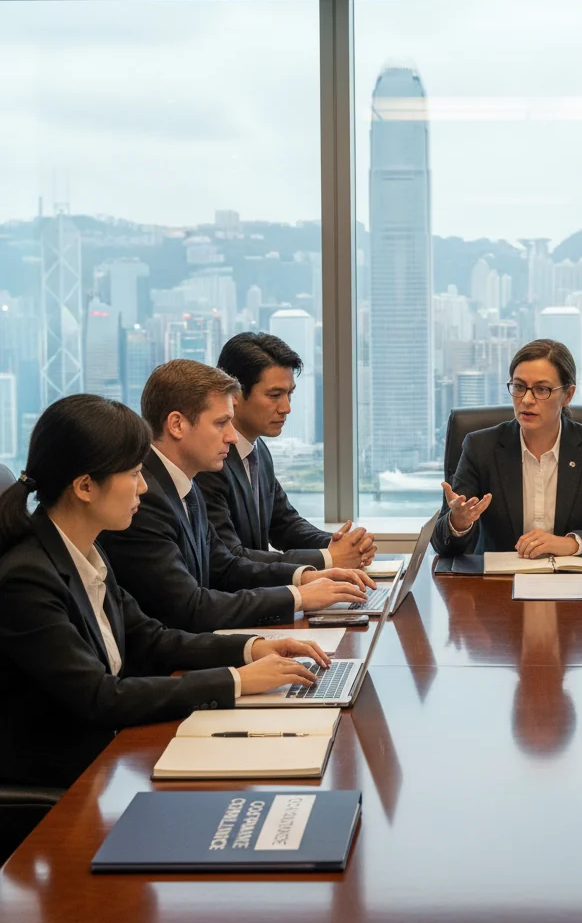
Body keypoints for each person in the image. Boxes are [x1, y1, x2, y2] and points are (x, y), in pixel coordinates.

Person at [0, 394, 334, 788]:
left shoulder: (86, 551)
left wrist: (253, 648)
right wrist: (238, 680)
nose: (143, 487)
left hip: (110, 755)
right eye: (133, 473)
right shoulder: (27, 578)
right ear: (86, 486)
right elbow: (99, 696)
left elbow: (152, 639)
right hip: (67, 776)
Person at [100, 360, 373, 633]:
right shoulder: (145, 498)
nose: (232, 437)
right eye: (221, 423)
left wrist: (307, 577)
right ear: (177, 425)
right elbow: (189, 608)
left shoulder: (184, 483)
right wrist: (298, 597)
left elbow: (225, 566)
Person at [432, 339, 582, 559]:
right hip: (498, 585)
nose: (527, 400)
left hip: (573, 583)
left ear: (568, 395)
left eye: (541, 389)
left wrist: (571, 544)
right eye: (519, 387)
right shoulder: (481, 447)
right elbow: (442, 545)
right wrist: (458, 523)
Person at [196, 331, 376, 569]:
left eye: (289, 394)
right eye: (275, 395)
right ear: (235, 394)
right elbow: (230, 557)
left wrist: (343, 546)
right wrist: (329, 558)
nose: (286, 408)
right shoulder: (209, 460)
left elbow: (285, 525)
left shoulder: (257, 449)